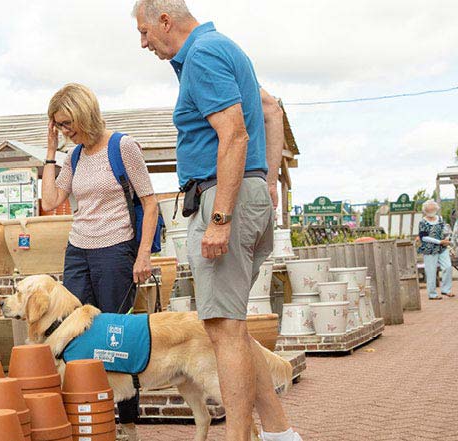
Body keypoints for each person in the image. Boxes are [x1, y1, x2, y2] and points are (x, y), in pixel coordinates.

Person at [132, 1, 301, 440]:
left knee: (224, 332)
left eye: (144, 32)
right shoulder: (221, 49)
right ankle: (281, 434)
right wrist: (263, 182)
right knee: (233, 330)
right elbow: (270, 109)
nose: (143, 42)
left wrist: (223, 217)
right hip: (241, 192)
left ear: (165, 21)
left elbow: (235, 133)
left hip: (220, 198)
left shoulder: (203, 55)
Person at [41, 83, 159, 438]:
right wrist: (51, 151)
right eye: (59, 126)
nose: (65, 131)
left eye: (67, 123)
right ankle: (85, 416)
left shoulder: (122, 146)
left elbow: (150, 203)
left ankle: (128, 425)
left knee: (114, 338)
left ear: (83, 113)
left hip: (115, 250)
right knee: (71, 334)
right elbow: (49, 201)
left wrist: (142, 257)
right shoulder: (72, 157)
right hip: (78, 250)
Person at [418, 200, 453, 299]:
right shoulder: (423, 222)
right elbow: (423, 237)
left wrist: (447, 238)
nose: (432, 210)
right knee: (431, 271)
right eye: (429, 209)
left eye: (433, 208)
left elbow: (446, 230)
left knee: (448, 267)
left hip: (442, 248)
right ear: (425, 210)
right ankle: (432, 294)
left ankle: (446, 290)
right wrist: (439, 242)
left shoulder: (440, 219)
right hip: (429, 249)